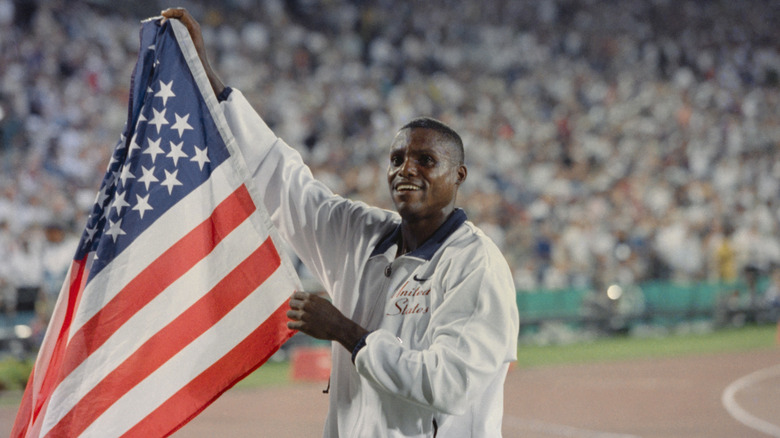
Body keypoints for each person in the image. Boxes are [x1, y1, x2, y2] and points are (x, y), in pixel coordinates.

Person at [162, 8, 519, 437]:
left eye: (426, 160)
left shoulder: (475, 265)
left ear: (458, 176)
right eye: (397, 159)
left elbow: (449, 383)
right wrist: (207, 78)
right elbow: (281, 179)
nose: (407, 169)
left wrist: (347, 333)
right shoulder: (360, 235)